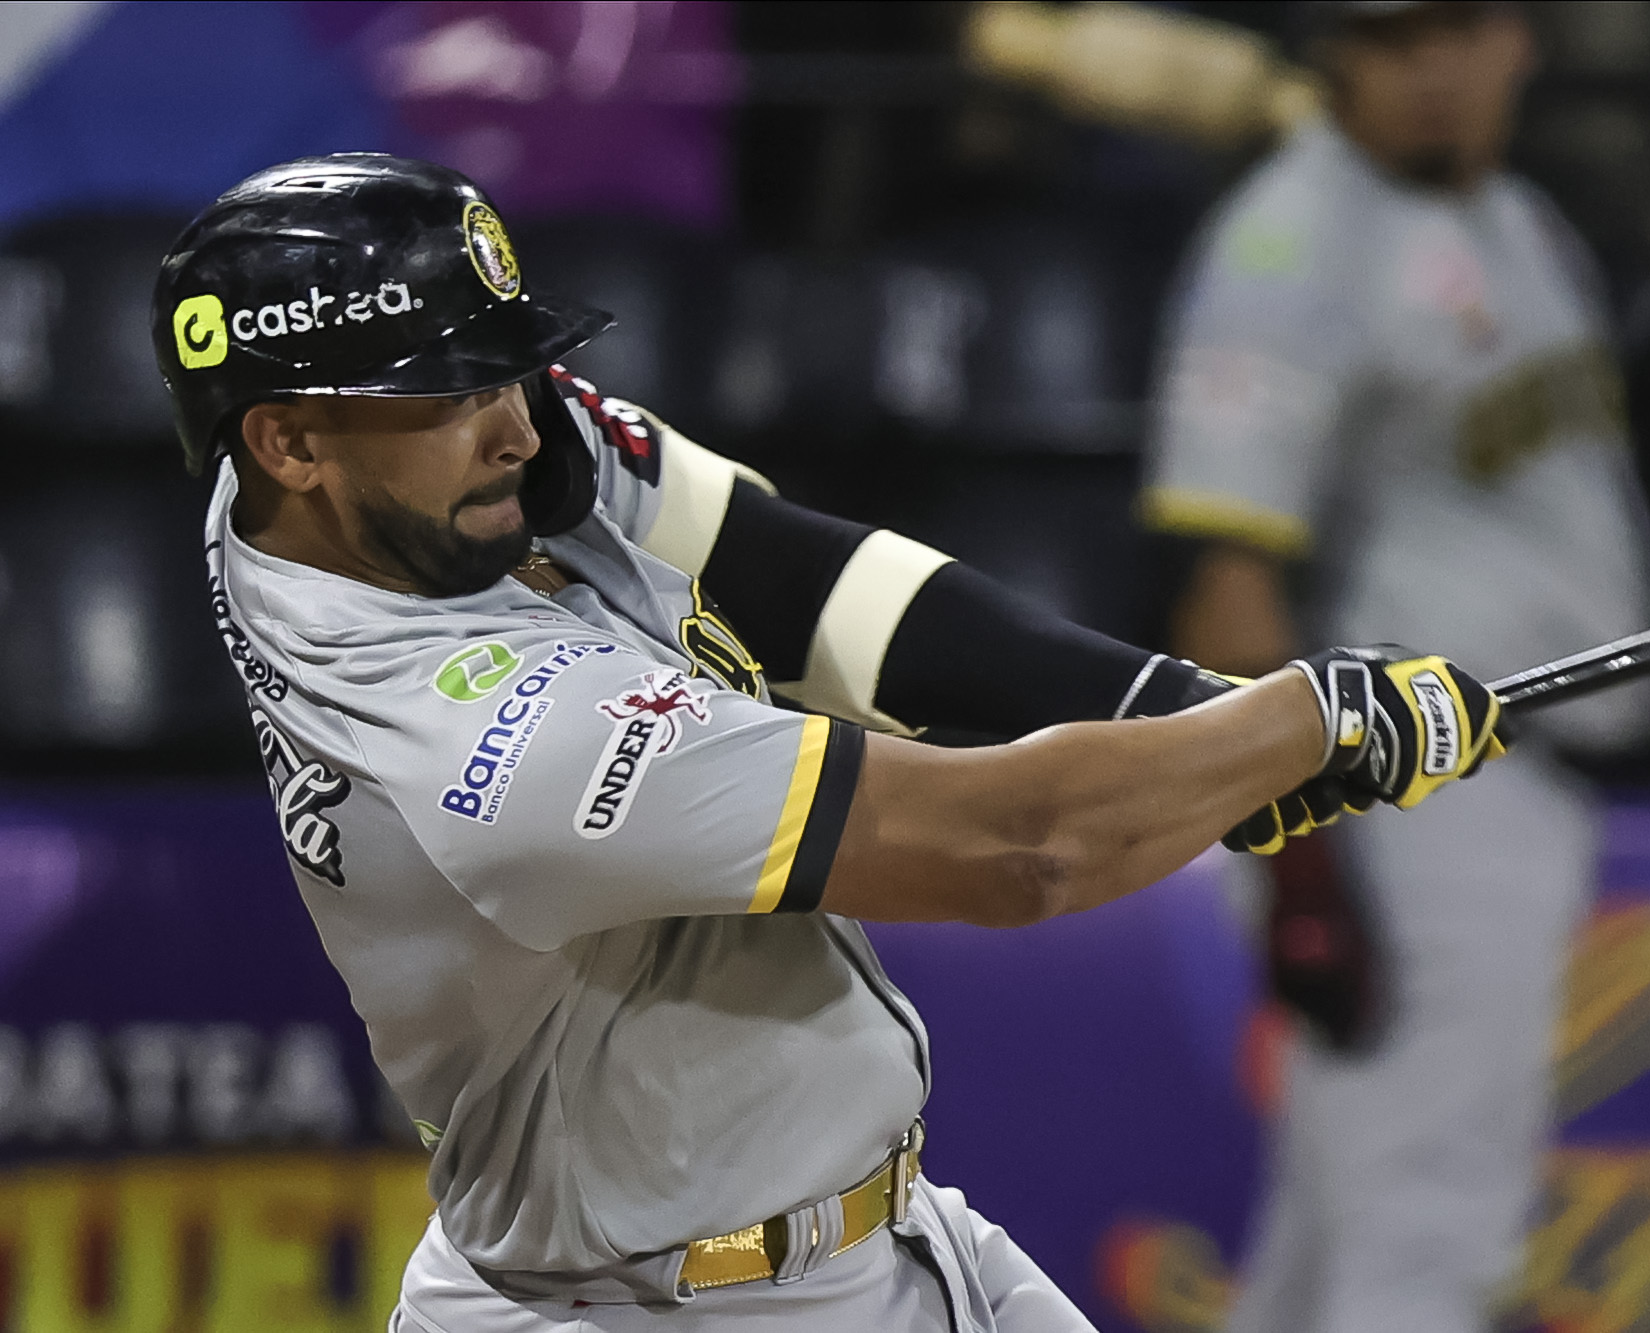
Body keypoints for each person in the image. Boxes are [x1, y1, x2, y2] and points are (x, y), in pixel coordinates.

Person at [151, 154, 1502, 1332]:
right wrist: (1295, 716)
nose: (517, 420)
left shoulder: (344, 499)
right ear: (288, 443)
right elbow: (1018, 850)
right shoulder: (479, 746)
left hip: (870, 1246)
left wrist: (1170, 708)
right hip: (657, 1310)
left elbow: (780, 572)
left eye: (502, 364)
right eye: (448, 391)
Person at [1141, 3, 1650, 1330]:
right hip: (1404, 790)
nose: (1428, 71)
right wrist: (1304, 858)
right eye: (1390, 37)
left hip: (1491, 774)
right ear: (1335, 54)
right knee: (1427, 1235)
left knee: (1331, 1250)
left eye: (1455, 29)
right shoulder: (1292, 239)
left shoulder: (1512, 214)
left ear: (1519, 40)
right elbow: (1227, 581)